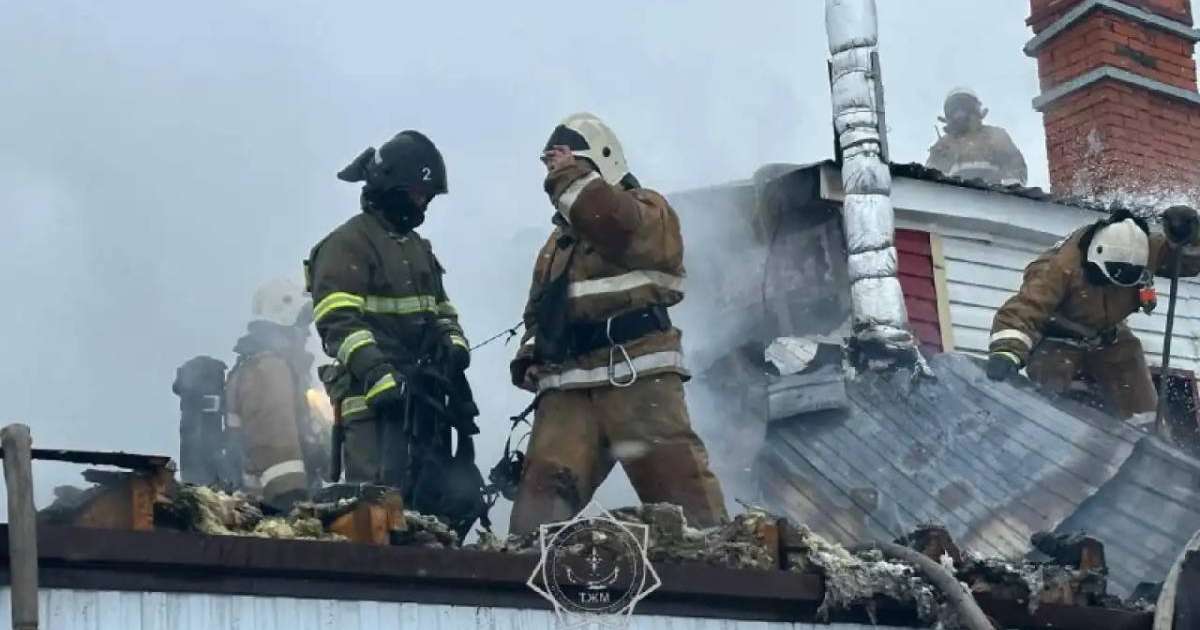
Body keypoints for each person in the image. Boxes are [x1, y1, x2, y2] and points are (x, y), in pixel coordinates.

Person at [508, 112, 728, 534]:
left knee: (690, 515)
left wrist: (568, 175)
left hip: (638, 380)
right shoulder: (557, 244)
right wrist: (532, 352)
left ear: (603, 162)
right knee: (534, 525)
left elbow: (611, 221)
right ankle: (522, 592)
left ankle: (728, 588)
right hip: (569, 390)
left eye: (571, 166)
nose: (556, 177)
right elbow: (539, 312)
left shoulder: (647, 211)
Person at [305, 130, 487, 537]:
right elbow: (338, 321)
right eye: (419, 193)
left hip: (423, 400)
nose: (423, 204)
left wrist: (454, 344)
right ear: (391, 186)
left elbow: (441, 309)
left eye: (428, 197)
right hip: (370, 401)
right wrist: (377, 374)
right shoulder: (346, 245)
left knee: (429, 505)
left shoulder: (417, 248)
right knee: (376, 505)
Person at [986, 206, 1200, 420]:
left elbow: (1188, 261)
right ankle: (1059, 435)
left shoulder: (1145, 250)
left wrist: (1189, 237)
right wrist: (1006, 352)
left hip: (1110, 337)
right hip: (1057, 341)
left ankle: (1147, 440)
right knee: (1054, 407)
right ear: (1095, 263)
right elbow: (1025, 309)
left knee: (1142, 407)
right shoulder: (1060, 268)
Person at [223, 278, 319, 511]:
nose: (307, 334)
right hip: (273, 506)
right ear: (285, 324)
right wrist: (293, 501)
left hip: (266, 504)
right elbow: (275, 443)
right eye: (302, 325)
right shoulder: (269, 369)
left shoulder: (270, 367)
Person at [926, 87, 1028, 186]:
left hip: (994, 197)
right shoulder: (943, 146)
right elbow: (930, 180)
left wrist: (1010, 187)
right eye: (955, 111)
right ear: (948, 115)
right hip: (956, 199)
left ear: (974, 109)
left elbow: (1016, 166)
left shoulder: (995, 137)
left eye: (964, 108)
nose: (959, 115)